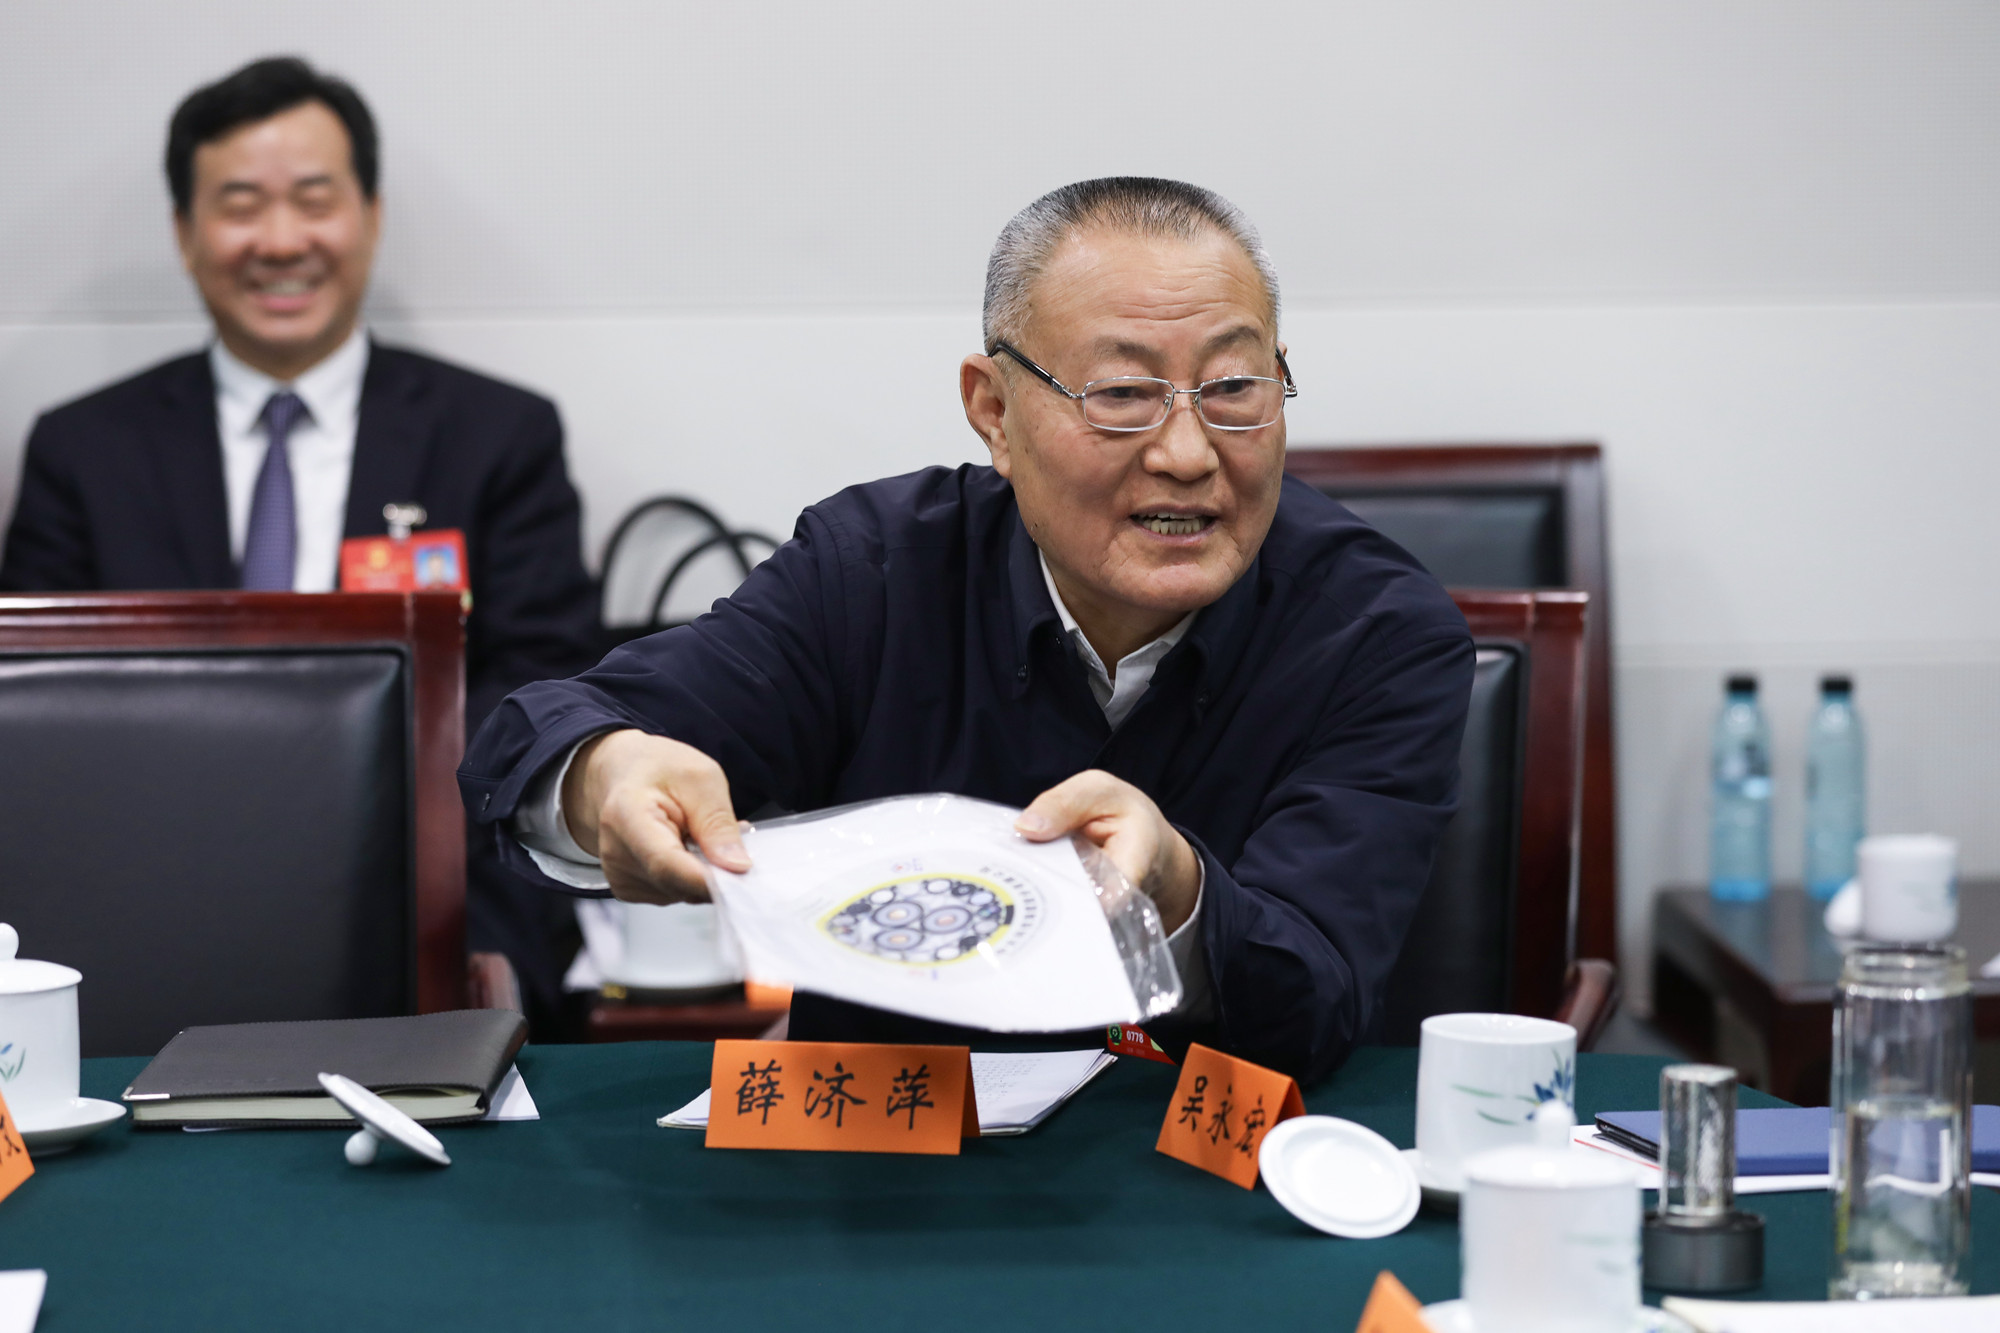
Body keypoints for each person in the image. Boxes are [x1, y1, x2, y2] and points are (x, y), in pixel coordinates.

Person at [461, 177, 1472, 1079]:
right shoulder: (874, 573)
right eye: (1123, 395)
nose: (1186, 452)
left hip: (1203, 1179)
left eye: (1232, 389)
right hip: (882, 1167)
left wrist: (1176, 887)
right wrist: (605, 773)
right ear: (993, 412)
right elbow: (537, 731)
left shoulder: (1376, 631)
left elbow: (1321, 997)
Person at [0, 57, 598, 1034]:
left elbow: (542, 705)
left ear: (370, 215)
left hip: (431, 932)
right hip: (137, 940)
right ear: (185, 233)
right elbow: (36, 749)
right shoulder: (83, 450)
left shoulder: (496, 436)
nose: (280, 241)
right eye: (240, 205)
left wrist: (479, 980)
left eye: (314, 200)